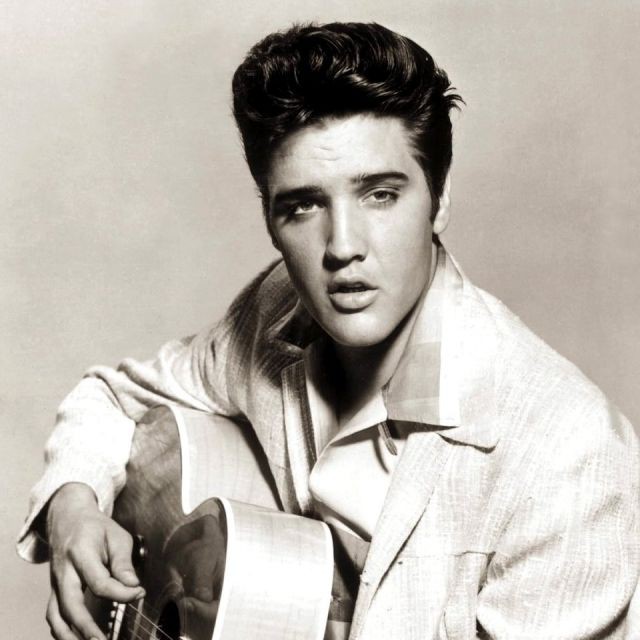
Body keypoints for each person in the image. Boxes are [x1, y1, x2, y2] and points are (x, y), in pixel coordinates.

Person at [18, 21, 639, 640]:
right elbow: (114, 398)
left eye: (380, 195)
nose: (343, 247)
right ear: (270, 219)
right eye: (304, 205)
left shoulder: (568, 457)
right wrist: (73, 505)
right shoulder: (274, 313)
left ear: (440, 198)